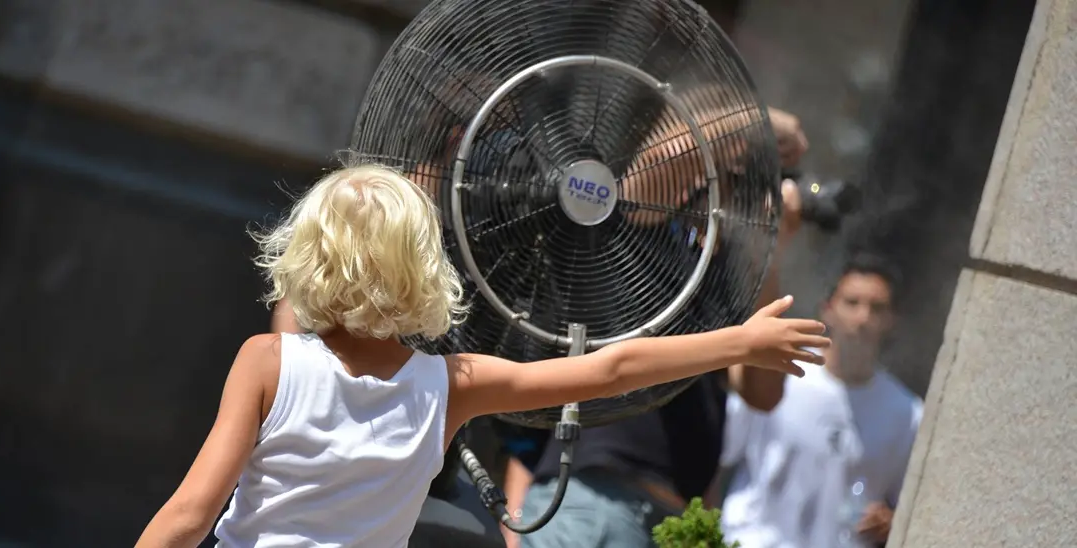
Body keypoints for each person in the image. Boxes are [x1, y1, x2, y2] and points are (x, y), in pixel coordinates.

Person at [134, 164, 829, 547]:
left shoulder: (268, 360)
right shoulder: (452, 385)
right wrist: (741, 341)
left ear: (309, 258)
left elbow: (191, 514)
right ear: (422, 268)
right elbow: (609, 370)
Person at [509, 106, 810, 548]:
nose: (734, 192)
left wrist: (767, 249)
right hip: (595, 498)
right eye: (732, 176)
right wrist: (755, 119)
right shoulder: (632, 233)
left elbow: (762, 392)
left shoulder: (725, 274)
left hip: (668, 522)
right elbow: (668, 153)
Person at [719, 253, 922, 548]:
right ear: (828, 310)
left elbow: (906, 507)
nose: (863, 318)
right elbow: (723, 451)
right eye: (852, 303)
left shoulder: (908, 413)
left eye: (876, 308)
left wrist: (891, 522)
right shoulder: (781, 373)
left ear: (891, 320)